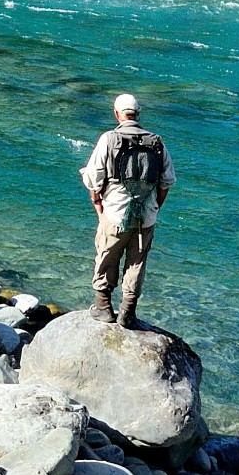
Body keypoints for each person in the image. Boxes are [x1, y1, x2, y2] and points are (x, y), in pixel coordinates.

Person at [82, 92, 170, 327]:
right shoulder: (157, 142)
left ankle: (103, 307)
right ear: (138, 114)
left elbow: (92, 177)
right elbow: (167, 181)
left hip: (115, 212)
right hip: (146, 215)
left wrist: (97, 202)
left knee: (107, 257)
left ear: (117, 114)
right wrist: (155, 207)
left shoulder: (109, 139)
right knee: (136, 263)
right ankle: (127, 313)